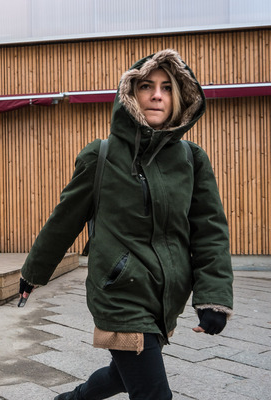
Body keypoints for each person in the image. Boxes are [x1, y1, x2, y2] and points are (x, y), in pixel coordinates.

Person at [20, 49, 233, 400]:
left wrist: (213, 297)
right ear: (131, 94)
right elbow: (65, 219)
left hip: (165, 296)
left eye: (167, 87)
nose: (157, 95)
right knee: (152, 392)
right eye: (147, 86)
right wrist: (33, 272)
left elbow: (209, 230)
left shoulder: (192, 159)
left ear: (179, 97)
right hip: (119, 291)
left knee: (121, 376)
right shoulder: (101, 155)